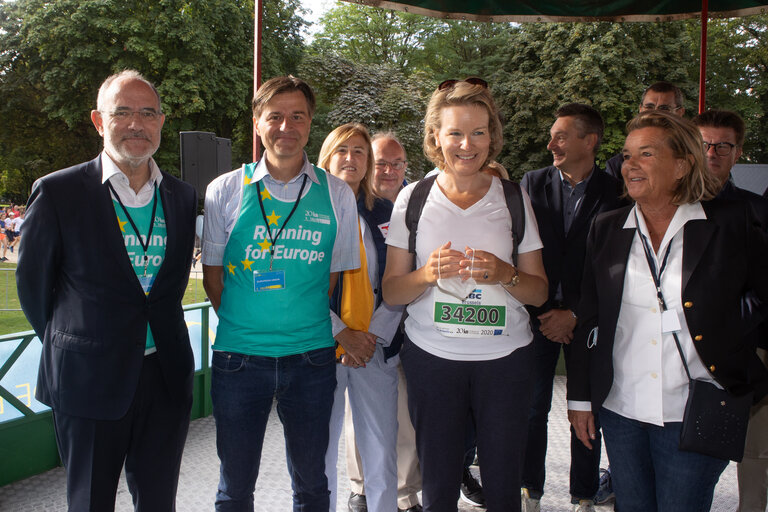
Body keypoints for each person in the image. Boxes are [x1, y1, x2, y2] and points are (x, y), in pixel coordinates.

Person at [568, 111, 768, 512]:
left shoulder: (731, 222)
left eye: (646, 154)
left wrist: (727, 336)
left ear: (681, 165)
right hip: (621, 410)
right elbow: (588, 318)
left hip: (696, 407)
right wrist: (579, 400)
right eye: (627, 156)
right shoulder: (606, 227)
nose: (630, 165)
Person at [16, 69, 197, 510]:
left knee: (159, 502)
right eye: (123, 112)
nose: (136, 123)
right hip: (88, 380)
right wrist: (82, 345)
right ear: (99, 121)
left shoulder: (182, 196)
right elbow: (33, 289)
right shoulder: (58, 192)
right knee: (91, 502)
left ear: (162, 121)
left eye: (148, 113)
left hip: (165, 377)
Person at [383, 77, 548, 511]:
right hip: (433, 361)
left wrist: (506, 274)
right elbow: (393, 291)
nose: (466, 144)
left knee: (502, 486)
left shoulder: (514, 198)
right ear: (435, 137)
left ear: (492, 136)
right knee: (438, 488)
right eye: (455, 132)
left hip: (505, 363)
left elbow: (538, 292)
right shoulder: (412, 199)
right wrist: (426, 275)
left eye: (478, 132)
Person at [201, 75, 360, 512]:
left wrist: (295, 318)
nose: (286, 127)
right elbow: (213, 277)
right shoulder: (224, 191)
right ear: (257, 123)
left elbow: (330, 277)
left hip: (311, 359)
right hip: (238, 359)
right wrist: (249, 320)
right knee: (234, 488)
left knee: (312, 485)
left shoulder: (337, 194)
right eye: (275, 117)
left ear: (311, 123)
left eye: (297, 116)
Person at [520, 103, 625, 512]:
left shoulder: (616, 193)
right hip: (538, 317)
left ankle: (583, 495)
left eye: (561, 136)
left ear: (590, 141)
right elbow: (523, 250)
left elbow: (613, 264)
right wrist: (548, 311)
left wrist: (576, 313)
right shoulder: (532, 183)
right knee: (532, 408)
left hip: (589, 318)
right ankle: (530, 490)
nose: (551, 144)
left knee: (587, 410)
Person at [318, 123, 404, 512]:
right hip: (322, 346)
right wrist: (342, 334)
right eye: (342, 150)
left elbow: (400, 279)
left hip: (375, 347)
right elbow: (300, 286)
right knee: (318, 450)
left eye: (359, 152)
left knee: (381, 448)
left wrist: (371, 335)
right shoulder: (308, 212)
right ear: (327, 157)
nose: (351, 159)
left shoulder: (388, 212)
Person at [345, 132, 424, 512]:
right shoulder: (354, 205)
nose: (389, 170)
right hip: (363, 333)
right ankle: (362, 487)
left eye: (397, 163)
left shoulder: (419, 203)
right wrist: (367, 333)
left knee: (405, 416)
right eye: (382, 163)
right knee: (359, 416)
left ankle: (405, 495)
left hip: (414, 328)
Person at [693, 109, 768, 512]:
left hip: (741, 350)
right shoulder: (669, 206)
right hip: (677, 353)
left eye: (723, 145)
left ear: (738, 152)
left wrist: (732, 327)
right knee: (690, 460)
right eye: (704, 143)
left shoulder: (756, 210)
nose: (713, 153)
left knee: (754, 450)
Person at [605, 81, 686, 180]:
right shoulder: (617, 167)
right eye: (649, 107)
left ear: (680, 112)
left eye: (664, 108)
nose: (655, 113)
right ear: (640, 109)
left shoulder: (694, 159)